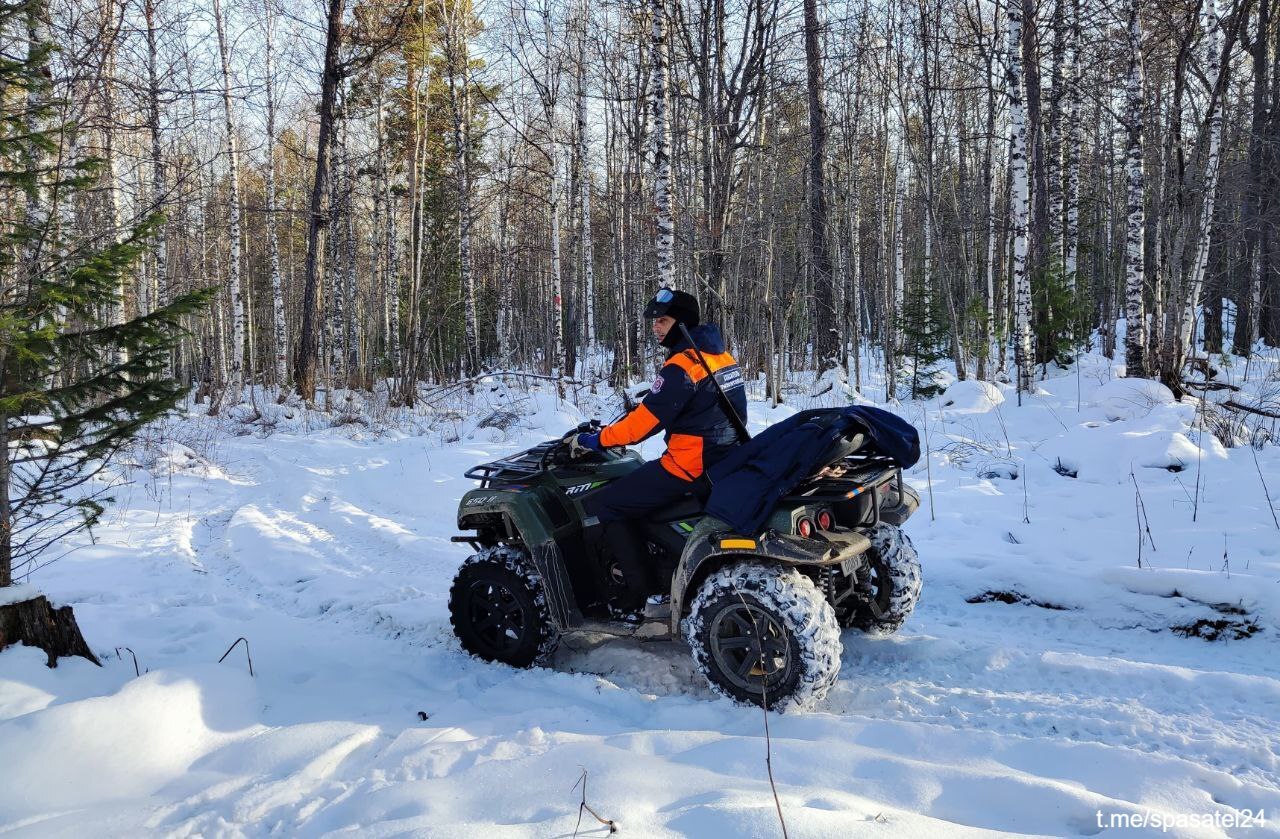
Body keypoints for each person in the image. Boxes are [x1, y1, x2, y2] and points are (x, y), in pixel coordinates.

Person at [569, 288, 748, 611]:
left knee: (608, 503)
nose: (655, 328)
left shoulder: (682, 366)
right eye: (654, 321)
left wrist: (595, 440)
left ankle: (637, 591)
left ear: (682, 323)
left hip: (689, 465)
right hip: (724, 457)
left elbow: (640, 428)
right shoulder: (721, 356)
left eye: (662, 321)